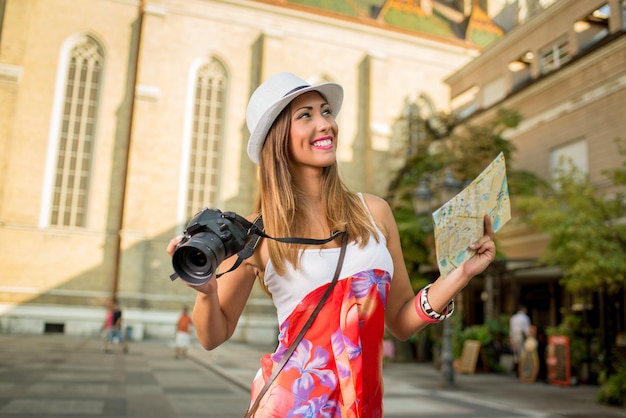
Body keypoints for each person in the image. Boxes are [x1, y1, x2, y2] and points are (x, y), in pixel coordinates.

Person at [166, 72, 496, 417]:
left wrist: (460, 275)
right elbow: (211, 336)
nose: (325, 123)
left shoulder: (376, 212)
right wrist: (206, 292)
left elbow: (399, 322)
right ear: (278, 139)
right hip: (290, 406)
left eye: (326, 112)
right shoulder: (254, 232)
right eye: (305, 115)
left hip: (363, 406)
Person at [510, 305, 531, 375]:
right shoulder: (525, 318)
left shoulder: (513, 317)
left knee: (516, 353)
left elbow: (511, 329)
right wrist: (529, 338)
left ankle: (516, 370)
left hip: (513, 336)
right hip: (521, 336)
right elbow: (526, 330)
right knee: (522, 353)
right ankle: (521, 371)